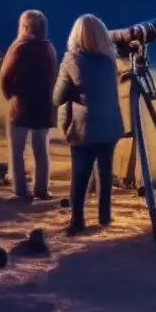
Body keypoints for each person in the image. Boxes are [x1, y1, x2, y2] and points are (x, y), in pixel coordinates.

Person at [52, 14, 125, 235]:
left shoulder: (71, 60)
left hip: (84, 127)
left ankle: (77, 220)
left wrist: (75, 91)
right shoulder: (110, 59)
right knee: (104, 170)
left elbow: (57, 98)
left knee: (80, 174)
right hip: (110, 123)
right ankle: (104, 216)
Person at [0, 9, 59, 201]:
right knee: (41, 151)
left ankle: (21, 191)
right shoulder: (48, 47)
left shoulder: (19, 48)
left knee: (17, 151)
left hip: (22, 106)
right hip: (44, 106)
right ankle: (41, 189)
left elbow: (5, 77)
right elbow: (53, 76)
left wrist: (10, 96)